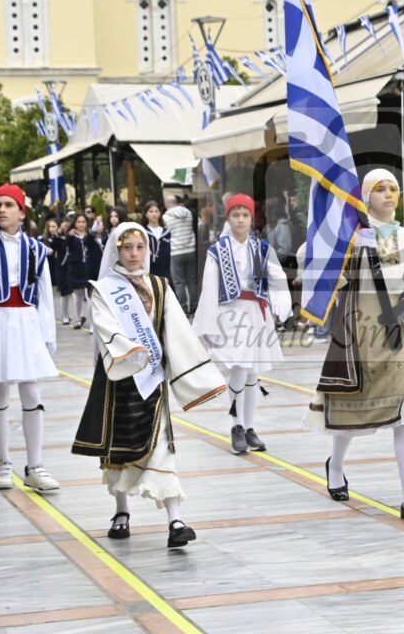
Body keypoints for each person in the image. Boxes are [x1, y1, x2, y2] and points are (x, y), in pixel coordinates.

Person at [304, 169, 404, 523]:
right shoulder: (349, 234)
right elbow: (313, 257)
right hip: (359, 330)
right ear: (365, 197)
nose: (389, 195)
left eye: (393, 188)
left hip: (397, 332)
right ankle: (336, 466)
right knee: (351, 407)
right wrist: (342, 247)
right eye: (380, 189)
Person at [72, 222, 210, 545]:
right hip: (119, 378)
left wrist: (195, 372)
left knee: (162, 445)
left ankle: (176, 521)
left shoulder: (160, 286)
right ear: (116, 250)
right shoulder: (104, 289)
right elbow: (105, 326)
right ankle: (121, 512)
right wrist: (130, 351)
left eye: (139, 246)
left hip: (152, 379)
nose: (134, 253)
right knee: (118, 448)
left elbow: (177, 330)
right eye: (127, 247)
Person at [0, 185, 60, 491]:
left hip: (26, 321)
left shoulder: (36, 248)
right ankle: (3, 463)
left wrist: (49, 333)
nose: (2, 210)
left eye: (8, 205)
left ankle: (35, 466)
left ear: (21, 211)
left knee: (31, 391)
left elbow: (44, 293)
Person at [193, 194, 292, 454]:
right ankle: (236, 425)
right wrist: (209, 323)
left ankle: (249, 427)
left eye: (245, 215)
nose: (240, 220)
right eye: (235, 215)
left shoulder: (261, 248)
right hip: (230, 313)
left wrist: (281, 300)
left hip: (256, 313)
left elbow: (277, 275)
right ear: (228, 217)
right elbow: (210, 288)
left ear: (251, 218)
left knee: (251, 372)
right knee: (238, 368)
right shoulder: (218, 251)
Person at [62, 213, 98, 329]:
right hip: (75, 268)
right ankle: (78, 318)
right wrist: (69, 236)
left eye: (83, 222)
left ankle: (92, 324)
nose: (81, 224)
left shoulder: (91, 235)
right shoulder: (72, 236)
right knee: (77, 295)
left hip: (88, 269)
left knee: (89, 296)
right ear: (75, 223)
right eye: (79, 222)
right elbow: (68, 246)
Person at [164, 195, 198, 314]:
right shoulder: (188, 213)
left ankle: (183, 308)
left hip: (176, 252)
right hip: (190, 250)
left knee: (179, 282)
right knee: (192, 281)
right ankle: (194, 307)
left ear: (168, 204)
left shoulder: (166, 217)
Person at [141, 200, 172, 280]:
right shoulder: (143, 232)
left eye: (156, 211)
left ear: (160, 213)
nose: (154, 214)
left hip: (165, 268)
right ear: (146, 214)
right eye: (151, 211)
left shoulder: (167, 232)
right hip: (149, 268)